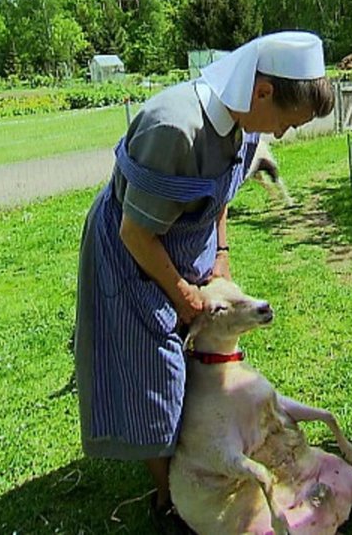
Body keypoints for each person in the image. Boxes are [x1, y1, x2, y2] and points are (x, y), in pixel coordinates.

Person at [73, 31, 334, 523]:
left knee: (203, 366)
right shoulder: (175, 129)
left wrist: (222, 254)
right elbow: (135, 231)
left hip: (182, 243)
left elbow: (222, 191)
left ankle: (201, 457)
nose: (279, 135)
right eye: (285, 122)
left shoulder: (245, 122)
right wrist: (181, 293)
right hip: (133, 254)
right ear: (261, 92)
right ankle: (169, 496)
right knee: (155, 372)